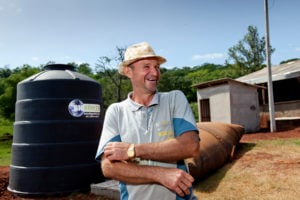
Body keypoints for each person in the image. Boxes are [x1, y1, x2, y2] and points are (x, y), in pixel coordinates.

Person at [95, 42, 200, 200]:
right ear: (128, 71)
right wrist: (160, 174)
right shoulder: (116, 111)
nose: (155, 73)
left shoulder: (174, 99)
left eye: (157, 67)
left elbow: (190, 146)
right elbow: (109, 167)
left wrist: (132, 150)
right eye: (146, 66)